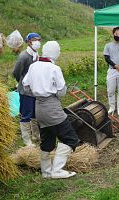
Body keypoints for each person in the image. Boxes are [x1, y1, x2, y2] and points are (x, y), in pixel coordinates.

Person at [22, 41, 80, 179]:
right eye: (58, 50)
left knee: (47, 139)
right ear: (54, 52)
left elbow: (25, 86)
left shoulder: (33, 66)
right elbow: (61, 92)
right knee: (70, 138)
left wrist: (39, 92)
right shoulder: (54, 68)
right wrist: (50, 92)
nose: (59, 52)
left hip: (39, 108)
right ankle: (57, 170)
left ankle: (46, 172)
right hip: (52, 108)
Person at [12, 33, 41, 147]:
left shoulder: (36, 54)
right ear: (28, 42)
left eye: (39, 40)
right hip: (26, 91)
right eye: (34, 40)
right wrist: (21, 82)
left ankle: (36, 135)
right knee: (26, 114)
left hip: (35, 90)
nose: (37, 42)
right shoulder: (24, 56)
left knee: (35, 113)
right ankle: (27, 139)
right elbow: (16, 72)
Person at [103, 27, 119, 116]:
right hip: (112, 70)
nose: (117, 34)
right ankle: (112, 107)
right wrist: (115, 65)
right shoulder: (108, 45)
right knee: (111, 90)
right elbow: (106, 58)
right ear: (113, 34)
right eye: (116, 33)